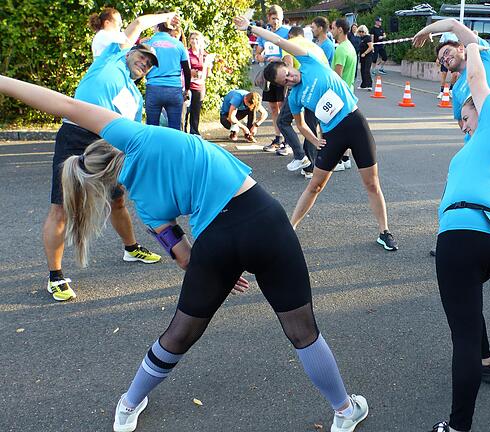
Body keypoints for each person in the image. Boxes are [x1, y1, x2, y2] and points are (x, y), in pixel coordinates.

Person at [0, 73, 371, 432]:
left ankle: (128, 404)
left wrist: (221, 273)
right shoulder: (133, 135)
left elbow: (183, 254)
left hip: (215, 243)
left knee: (179, 334)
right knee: (302, 331)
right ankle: (343, 410)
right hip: (263, 219)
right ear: (106, 141)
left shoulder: (143, 205)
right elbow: (63, 103)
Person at [43, 15, 177, 302]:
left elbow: (134, 133)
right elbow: (138, 22)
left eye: (150, 65)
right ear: (130, 51)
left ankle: (131, 249)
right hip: (76, 135)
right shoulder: (111, 57)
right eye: (143, 56)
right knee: (62, 208)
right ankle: (55, 276)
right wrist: (166, 17)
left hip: (108, 146)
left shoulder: (135, 97)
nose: (145, 64)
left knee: (117, 200)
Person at [240, 18, 399, 252]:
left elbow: (278, 39)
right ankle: (290, 229)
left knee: (372, 183)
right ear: (282, 85)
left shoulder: (309, 62)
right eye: (285, 81)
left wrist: (251, 28)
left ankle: (384, 232)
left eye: (289, 73)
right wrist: (314, 140)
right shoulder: (294, 98)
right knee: (315, 185)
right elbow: (301, 125)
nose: (291, 78)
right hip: (332, 136)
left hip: (355, 124)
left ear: (290, 65)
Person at [428, 40, 490, 432]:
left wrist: (470, 47)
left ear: (479, 109)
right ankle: (485, 361)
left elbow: (478, 79)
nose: (462, 124)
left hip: (464, 235)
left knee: (460, 333)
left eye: (465, 117)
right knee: (469, 305)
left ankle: (458, 426)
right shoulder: (484, 145)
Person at [415, 18, 490, 276]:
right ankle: (451, 233)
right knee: (457, 186)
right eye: (441, 59)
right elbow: (460, 119)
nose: (445, 59)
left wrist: (426, 31)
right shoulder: (457, 87)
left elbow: (454, 24)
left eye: (447, 52)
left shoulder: (483, 58)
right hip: (476, 143)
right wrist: (470, 133)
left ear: (460, 48)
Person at [274, 26, 326, 179]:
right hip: (320, 86)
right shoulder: (313, 45)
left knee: (283, 120)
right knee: (310, 124)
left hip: (301, 87)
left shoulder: (289, 45)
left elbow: (288, 70)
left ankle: (300, 156)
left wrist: (287, 91)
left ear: (290, 36)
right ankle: (311, 167)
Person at [255, 5, 291, 152]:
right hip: (269, 74)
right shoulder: (264, 34)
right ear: (269, 18)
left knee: (283, 107)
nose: (276, 21)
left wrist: (279, 58)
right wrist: (262, 57)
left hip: (283, 74)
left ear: (282, 19)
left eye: (278, 18)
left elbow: (292, 53)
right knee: (273, 107)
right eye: (273, 18)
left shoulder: (287, 32)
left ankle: (287, 141)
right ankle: (278, 138)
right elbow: (257, 54)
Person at [143, 18, 190, 130]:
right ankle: (174, 147)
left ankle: (152, 147)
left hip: (154, 88)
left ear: (157, 27)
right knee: (175, 128)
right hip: (174, 89)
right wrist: (187, 89)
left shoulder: (148, 43)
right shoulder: (178, 45)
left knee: (151, 128)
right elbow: (187, 70)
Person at [330, 18, 358, 173]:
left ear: (340, 29)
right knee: (345, 128)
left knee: (337, 129)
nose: (331, 31)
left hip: (340, 94)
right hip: (349, 91)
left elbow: (337, 76)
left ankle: (339, 160)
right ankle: (346, 159)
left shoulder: (340, 49)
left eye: (333, 28)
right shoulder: (350, 47)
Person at [185, 31, 214, 135]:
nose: (194, 41)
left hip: (200, 86)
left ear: (201, 41)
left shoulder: (205, 54)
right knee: (186, 110)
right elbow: (182, 68)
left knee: (196, 111)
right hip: (187, 85)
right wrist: (190, 71)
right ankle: (183, 132)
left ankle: (194, 132)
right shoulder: (186, 53)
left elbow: (209, 72)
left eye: (197, 39)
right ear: (189, 41)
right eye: (192, 39)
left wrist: (208, 69)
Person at [437, 32, 460, 98]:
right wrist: (438, 57)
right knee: (444, 74)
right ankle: (441, 91)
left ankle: (451, 90)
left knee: (455, 74)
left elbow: (459, 46)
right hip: (445, 56)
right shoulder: (445, 34)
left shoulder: (457, 34)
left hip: (454, 56)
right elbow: (440, 45)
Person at [357, 25, 374, 91]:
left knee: (367, 70)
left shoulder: (367, 38)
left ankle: (369, 85)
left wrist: (365, 53)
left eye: (362, 31)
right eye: (360, 31)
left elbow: (371, 47)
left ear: (365, 32)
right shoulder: (360, 38)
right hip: (362, 56)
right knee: (362, 70)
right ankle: (363, 84)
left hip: (368, 56)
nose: (361, 33)